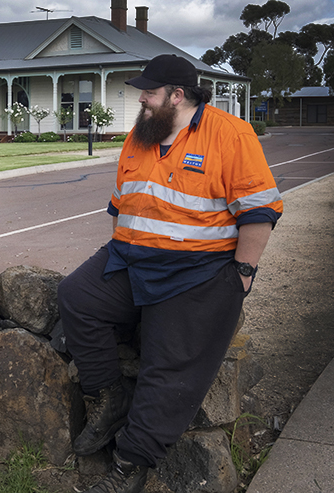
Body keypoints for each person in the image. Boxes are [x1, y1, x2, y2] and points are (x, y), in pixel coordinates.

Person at [58, 54, 283, 493]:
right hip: (129, 259)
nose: (141, 98)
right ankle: (108, 399)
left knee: (167, 363)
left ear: (177, 95)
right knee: (77, 297)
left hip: (196, 270)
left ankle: (130, 465)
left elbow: (259, 212)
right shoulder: (143, 134)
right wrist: (119, 249)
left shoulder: (229, 133)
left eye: (149, 91)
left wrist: (243, 273)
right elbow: (120, 204)